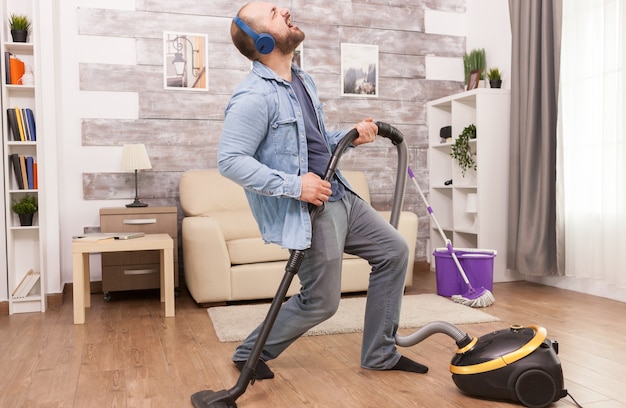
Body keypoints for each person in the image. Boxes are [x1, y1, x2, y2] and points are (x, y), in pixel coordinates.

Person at [218, 1, 428, 380]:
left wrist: (351, 136)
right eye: (271, 13)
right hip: (311, 208)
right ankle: (250, 352)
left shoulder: (303, 80)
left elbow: (314, 143)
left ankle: (380, 353)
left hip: (339, 192)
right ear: (262, 41)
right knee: (321, 302)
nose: (283, 10)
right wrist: (295, 186)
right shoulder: (253, 96)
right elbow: (230, 160)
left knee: (394, 251)